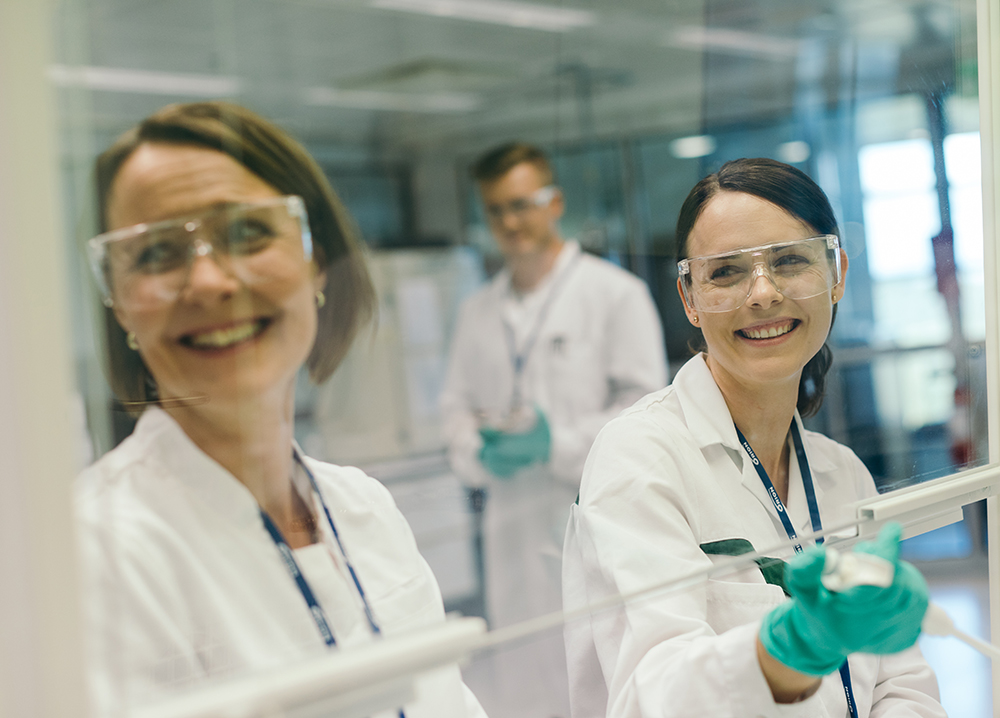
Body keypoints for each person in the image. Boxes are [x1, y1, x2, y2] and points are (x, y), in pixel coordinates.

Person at [75, 100, 487, 718]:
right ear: (121, 306)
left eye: (246, 232)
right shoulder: (88, 551)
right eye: (158, 253)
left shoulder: (362, 507)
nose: (209, 282)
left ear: (316, 260)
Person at [562, 158, 946, 717]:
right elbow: (652, 698)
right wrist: (784, 652)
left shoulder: (843, 473)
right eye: (726, 272)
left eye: (790, 261)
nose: (763, 294)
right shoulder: (641, 458)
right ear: (690, 299)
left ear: (836, 274)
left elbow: (900, 682)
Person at [440, 142, 667, 716]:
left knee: (606, 675)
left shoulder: (614, 294)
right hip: (510, 531)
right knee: (524, 683)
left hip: (593, 518)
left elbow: (645, 411)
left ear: (555, 202)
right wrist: (479, 452)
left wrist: (555, 443)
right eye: (495, 210)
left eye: (521, 204)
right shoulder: (477, 311)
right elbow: (455, 409)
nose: (509, 222)